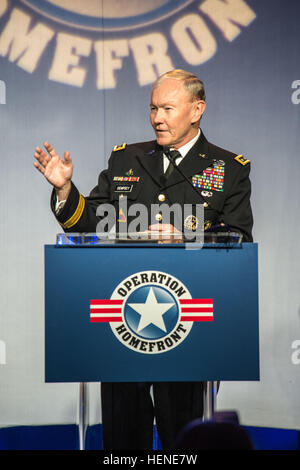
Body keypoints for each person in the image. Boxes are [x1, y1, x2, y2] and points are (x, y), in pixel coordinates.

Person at [34, 69, 253, 449]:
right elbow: (89, 221)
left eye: (167, 108)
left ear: (197, 109)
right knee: (122, 439)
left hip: (188, 327)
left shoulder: (229, 168)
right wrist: (65, 189)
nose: (157, 117)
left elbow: (238, 238)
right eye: (153, 108)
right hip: (122, 323)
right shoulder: (127, 159)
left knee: (182, 437)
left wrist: (188, 237)